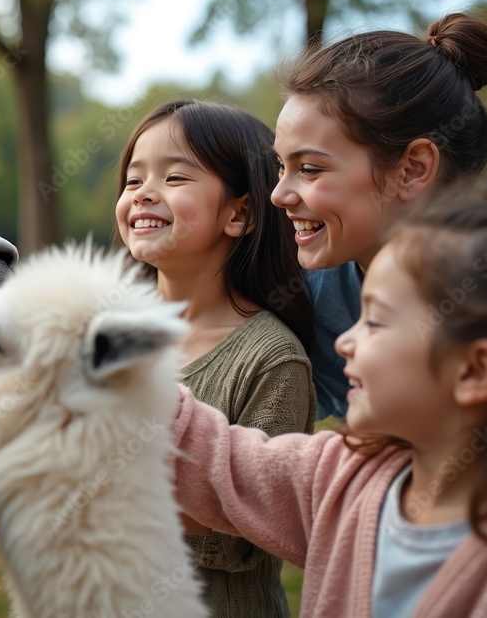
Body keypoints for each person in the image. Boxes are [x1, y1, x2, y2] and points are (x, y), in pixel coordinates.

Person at [173, 200, 487, 617]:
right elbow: (220, 463)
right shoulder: (340, 475)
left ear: (475, 370)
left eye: (374, 321)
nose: (343, 341)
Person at [269, 11, 487, 420]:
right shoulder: (315, 294)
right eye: (281, 166)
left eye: (310, 169)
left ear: (413, 169)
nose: (278, 194)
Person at [115, 99, 316, 617]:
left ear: (240, 212)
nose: (144, 194)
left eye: (176, 178)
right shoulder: (103, 332)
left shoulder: (271, 359)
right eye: (134, 181)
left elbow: (249, 523)